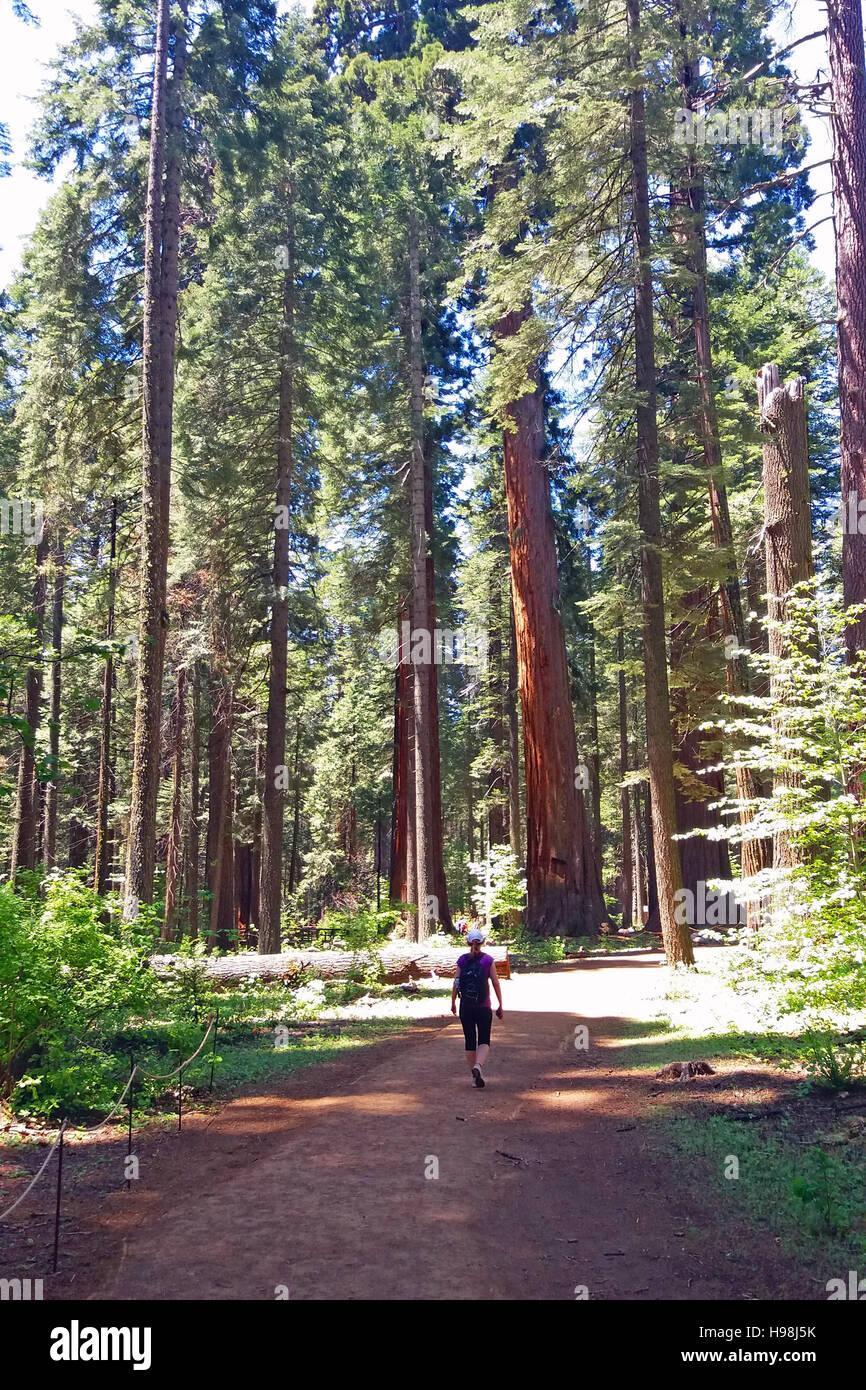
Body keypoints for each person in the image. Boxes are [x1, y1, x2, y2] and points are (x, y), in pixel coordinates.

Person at [451, 926, 503, 1088]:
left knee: (470, 1040)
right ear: (482, 943)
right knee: (484, 1039)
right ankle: (478, 1066)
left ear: (468, 942)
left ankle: (474, 1078)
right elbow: (495, 982)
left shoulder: (462, 960)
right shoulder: (488, 960)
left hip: (465, 1006)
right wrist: (500, 1004)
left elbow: (456, 982)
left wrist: (453, 1002)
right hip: (483, 1006)